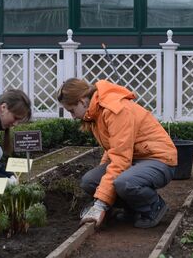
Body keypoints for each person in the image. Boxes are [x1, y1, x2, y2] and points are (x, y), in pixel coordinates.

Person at [57, 78, 177, 229]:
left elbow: (120, 159)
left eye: (71, 111)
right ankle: (133, 209)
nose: (73, 117)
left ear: (82, 101)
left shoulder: (114, 109)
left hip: (158, 159)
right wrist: (102, 187)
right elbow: (113, 150)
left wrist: (101, 204)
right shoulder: (96, 112)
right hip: (135, 158)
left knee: (124, 183)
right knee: (90, 181)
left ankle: (154, 206)